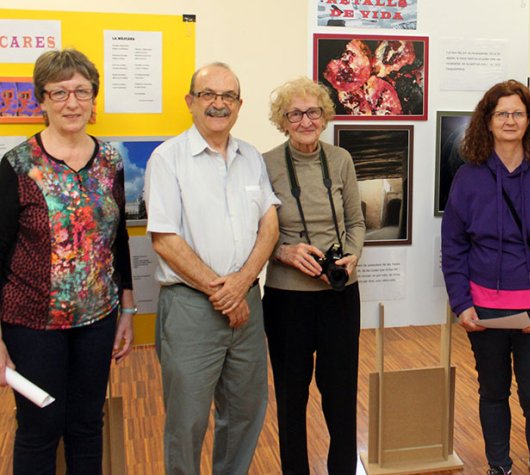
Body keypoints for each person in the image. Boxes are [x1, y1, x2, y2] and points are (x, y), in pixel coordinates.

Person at [0, 48, 135, 474]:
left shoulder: (110, 160)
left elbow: (118, 240)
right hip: (32, 324)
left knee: (87, 426)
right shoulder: (18, 165)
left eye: (81, 91)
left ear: (94, 98)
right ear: (41, 100)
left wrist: (127, 310)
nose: (71, 102)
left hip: (97, 320)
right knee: (39, 430)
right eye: (59, 92)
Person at [144, 62, 280, 475]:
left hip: (247, 306)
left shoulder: (250, 157)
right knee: (187, 420)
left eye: (228, 96)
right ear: (190, 101)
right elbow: (165, 239)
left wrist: (242, 285)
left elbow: (270, 226)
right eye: (208, 95)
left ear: (239, 104)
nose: (219, 104)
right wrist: (223, 292)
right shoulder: (167, 159)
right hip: (191, 308)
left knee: (245, 412)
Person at [442, 79, 530, 475]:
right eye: (502, 114)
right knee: (493, 393)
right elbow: (453, 247)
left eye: (518, 113)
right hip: (484, 312)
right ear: (488, 121)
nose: (510, 120)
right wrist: (461, 303)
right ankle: (499, 466)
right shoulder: (468, 178)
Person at [262, 77, 365, 474]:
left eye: (313, 112)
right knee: (291, 396)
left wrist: (352, 256)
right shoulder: (266, 164)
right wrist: (283, 252)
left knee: (341, 394)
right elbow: (256, 232)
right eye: (295, 114)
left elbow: (356, 222)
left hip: (339, 293)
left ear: (325, 116)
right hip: (287, 298)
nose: (305, 121)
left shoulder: (341, 160)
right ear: (282, 120)